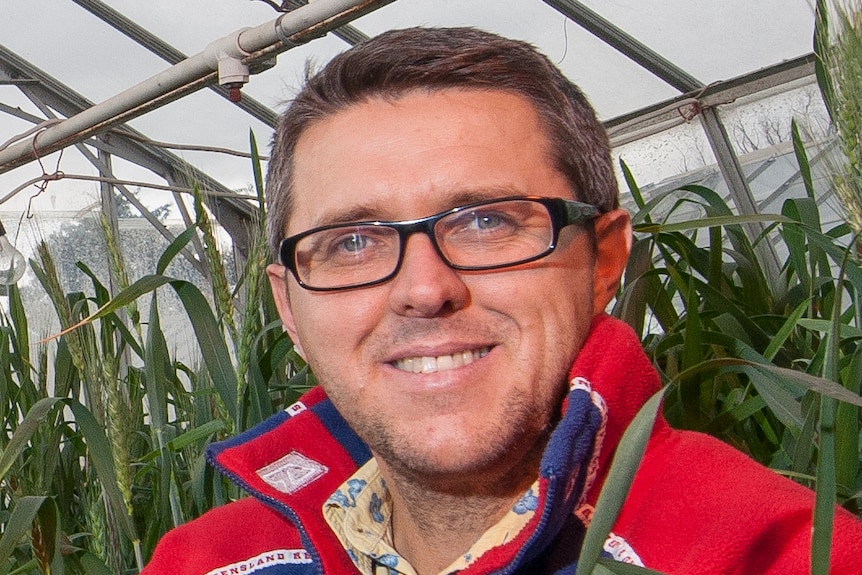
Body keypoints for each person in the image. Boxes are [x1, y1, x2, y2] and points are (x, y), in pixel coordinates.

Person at [142, 27, 862, 575]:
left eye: (486, 221)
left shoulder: (778, 553)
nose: (424, 289)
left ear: (604, 259)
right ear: (290, 309)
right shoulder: (205, 560)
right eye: (352, 241)